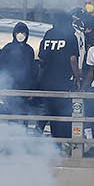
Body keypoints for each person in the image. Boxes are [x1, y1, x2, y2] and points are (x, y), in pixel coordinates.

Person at [37, 9, 78, 143]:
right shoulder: (70, 36)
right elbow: (73, 59)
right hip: (63, 83)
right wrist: (77, 78)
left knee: (45, 114)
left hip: (47, 81)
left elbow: (42, 58)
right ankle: (60, 144)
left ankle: (33, 141)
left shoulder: (48, 34)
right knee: (61, 115)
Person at [0, 20, 37, 117]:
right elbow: (0, 68)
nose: (20, 35)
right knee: (10, 113)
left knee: (23, 114)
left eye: (23, 32)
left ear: (27, 34)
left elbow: (32, 71)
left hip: (25, 89)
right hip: (10, 87)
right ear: (14, 34)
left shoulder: (29, 50)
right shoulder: (7, 48)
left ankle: (22, 131)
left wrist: (32, 89)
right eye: (18, 32)